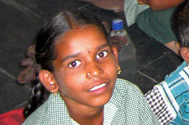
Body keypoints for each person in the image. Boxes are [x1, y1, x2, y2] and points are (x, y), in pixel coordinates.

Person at [22, 10, 158, 125]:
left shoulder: (128, 95)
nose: (95, 71)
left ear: (115, 57)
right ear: (50, 80)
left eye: (101, 54)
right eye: (74, 63)